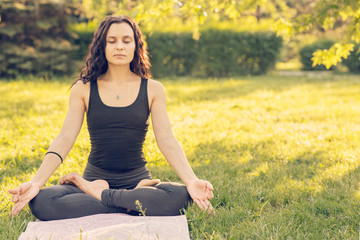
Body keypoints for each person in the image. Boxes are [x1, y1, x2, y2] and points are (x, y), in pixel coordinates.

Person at [8, 15, 214, 220]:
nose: (119, 47)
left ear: (136, 46)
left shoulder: (153, 89)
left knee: (181, 195)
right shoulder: (84, 88)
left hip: (137, 181)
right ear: (102, 46)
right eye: (112, 41)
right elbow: (65, 138)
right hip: (96, 179)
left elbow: (167, 139)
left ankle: (102, 196)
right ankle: (127, 204)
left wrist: (191, 180)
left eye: (126, 41)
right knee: (41, 202)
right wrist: (36, 183)